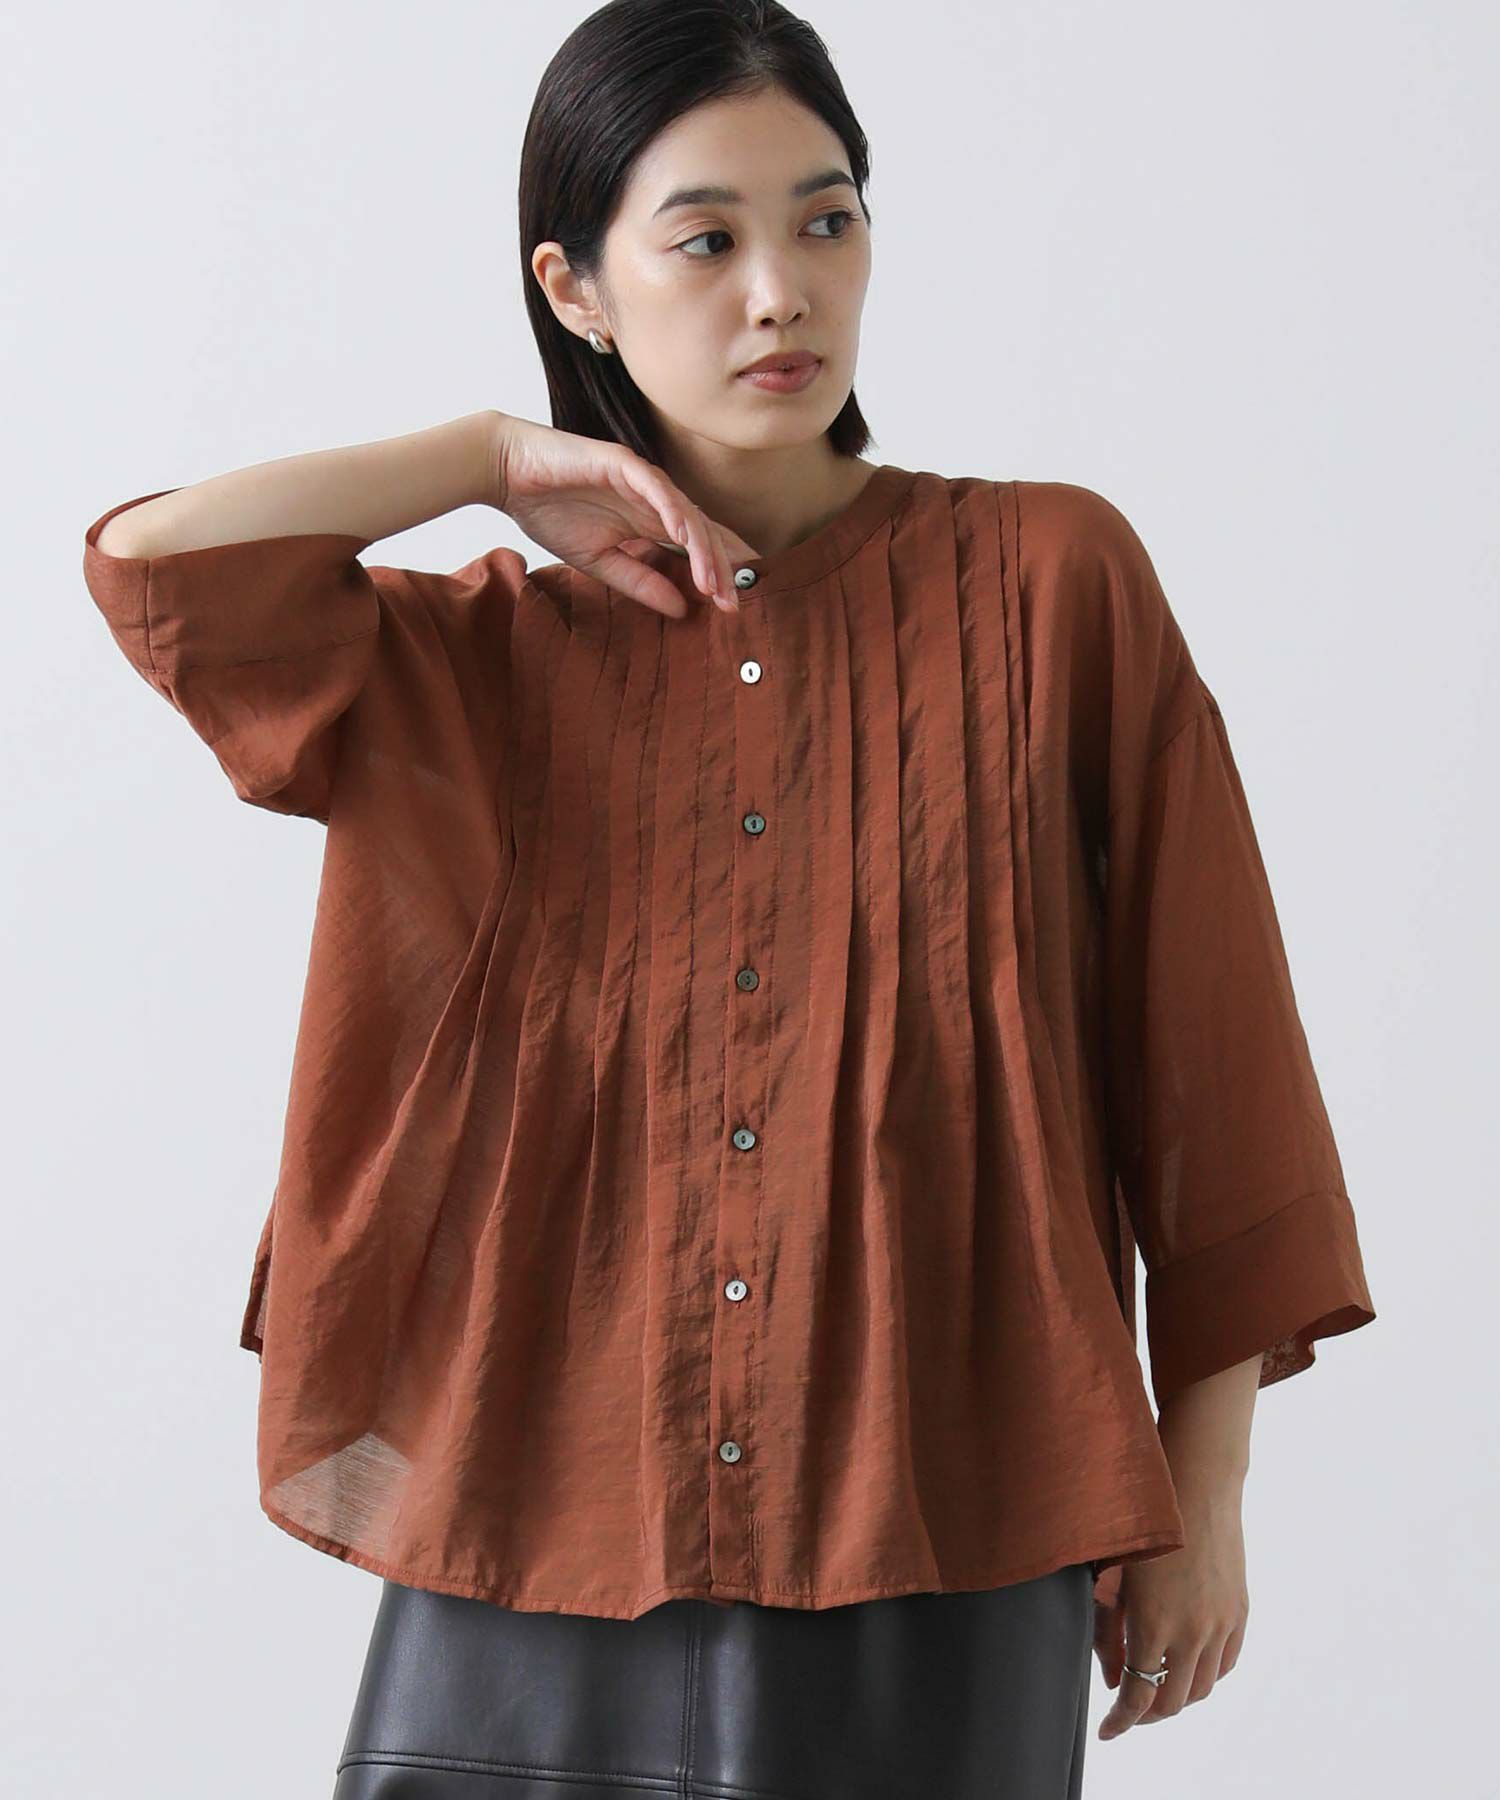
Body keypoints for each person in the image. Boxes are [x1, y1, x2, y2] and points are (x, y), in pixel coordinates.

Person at [81, 2, 1376, 1795]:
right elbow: (156, 573)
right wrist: (488, 457)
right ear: (575, 288)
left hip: (950, 1508)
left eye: (827, 221)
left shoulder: (1051, 581)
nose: (783, 293)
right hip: (541, 1518)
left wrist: (1202, 1489)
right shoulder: (478, 658)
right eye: (705, 241)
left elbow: (1211, 1054)